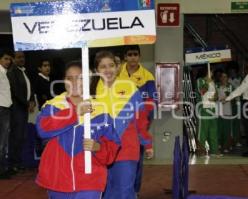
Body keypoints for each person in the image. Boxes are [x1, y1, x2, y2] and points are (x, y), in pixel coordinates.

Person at [35, 61, 120, 198]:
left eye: (80, 78)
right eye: (69, 78)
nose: (74, 82)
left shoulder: (100, 110)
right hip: (57, 180)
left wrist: (99, 147)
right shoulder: (52, 106)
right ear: (64, 81)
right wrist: (75, 113)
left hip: (90, 180)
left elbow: (112, 146)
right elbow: (42, 130)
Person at [91, 50, 153, 199]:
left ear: (117, 67)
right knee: (104, 191)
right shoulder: (90, 92)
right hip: (99, 148)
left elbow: (141, 118)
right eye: (103, 66)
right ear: (96, 70)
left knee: (124, 191)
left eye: (111, 65)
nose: (108, 70)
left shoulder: (130, 87)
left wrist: (147, 143)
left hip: (126, 148)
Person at [118, 45, 157, 195]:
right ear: (125, 57)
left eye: (136, 54)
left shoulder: (148, 76)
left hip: (136, 126)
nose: (133, 57)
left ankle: (134, 192)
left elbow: (152, 102)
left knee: (136, 160)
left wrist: (144, 126)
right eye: (130, 54)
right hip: (117, 124)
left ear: (139, 57)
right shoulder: (116, 73)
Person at [7, 51, 35, 173]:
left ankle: (17, 163)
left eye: (23, 57)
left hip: (23, 108)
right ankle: (13, 164)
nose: (21, 59)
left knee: (21, 136)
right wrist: (26, 103)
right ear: (13, 59)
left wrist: (32, 100)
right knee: (16, 136)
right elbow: (15, 91)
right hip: (16, 108)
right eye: (18, 57)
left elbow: (30, 88)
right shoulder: (12, 72)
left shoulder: (24, 71)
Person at [195, 66, 221, 156]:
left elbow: (216, 95)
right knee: (202, 131)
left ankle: (214, 150)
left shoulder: (212, 81)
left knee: (213, 130)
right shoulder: (200, 80)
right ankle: (201, 151)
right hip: (204, 109)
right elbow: (202, 92)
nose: (213, 73)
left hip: (213, 108)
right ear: (207, 71)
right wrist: (207, 82)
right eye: (211, 71)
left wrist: (215, 97)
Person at [0, 49, 13, 179]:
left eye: (9, 59)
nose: (8, 61)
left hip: (5, 108)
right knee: (2, 141)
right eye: (5, 58)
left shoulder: (5, 72)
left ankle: (2, 168)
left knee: (3, 141)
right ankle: (1, 170)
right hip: (1, 108)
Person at [216, 72, 234, 153]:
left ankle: (226, 146)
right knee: (219, 129)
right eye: (222, 77)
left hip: (227, 111)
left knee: (227, 130)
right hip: (218, 110)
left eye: (225, 76)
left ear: (227, 78)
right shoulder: (217, 86)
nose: (224, 78)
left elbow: (231, 96)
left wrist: (225, 99)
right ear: (220, 78)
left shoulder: (230, 86)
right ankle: (218, 144)